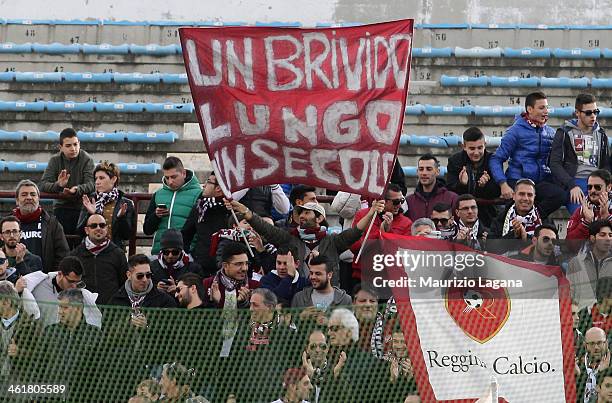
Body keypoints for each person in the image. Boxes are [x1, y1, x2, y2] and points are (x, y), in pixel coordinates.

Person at [226, 199, 385, 287]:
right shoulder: (289, 238)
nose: (302, 216)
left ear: (320, 218)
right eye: (300, 213)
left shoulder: (332, 241)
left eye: (307, 213)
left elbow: (355, 231)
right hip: (297, 297)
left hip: (328, 298)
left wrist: (371, 212)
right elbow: (265, 228)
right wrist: (245, 211)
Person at [489, 91, 566, 218]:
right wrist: (503, 184)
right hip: (518, 180)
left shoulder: (551, 132)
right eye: (541, 108)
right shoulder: (515, 131)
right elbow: (496, 159)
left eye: (547, 107)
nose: (546, 111)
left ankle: (532, 218)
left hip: (540, 182)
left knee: (560, 195)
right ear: (529, 109)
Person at [550, 93, 610, 214]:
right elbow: (555, 164)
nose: (593, 116)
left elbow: (606, 165)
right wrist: (571, 185)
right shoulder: (564, 132)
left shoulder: (601, 134)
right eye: (588, 113)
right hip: (575, 182)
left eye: (595, 112)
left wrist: (604, 185)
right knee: (582, 215)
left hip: (597, 181)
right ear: (577, 112)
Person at [40, 288, 102, 401]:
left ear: (78, 308)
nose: (60, 311)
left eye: (65, 307)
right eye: (59, 307)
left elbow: (99, 371)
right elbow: (40, 366)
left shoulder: (94, 335)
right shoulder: (49, 331)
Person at [39, 128, 95, 245]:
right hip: (61, 208)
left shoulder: (87, 159)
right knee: (62, 245)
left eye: (75, 144)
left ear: (79, 143)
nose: (73, 148)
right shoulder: (54, 160)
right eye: (68, 145)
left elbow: (91, 184)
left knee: (81, 244)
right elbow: (43, 185)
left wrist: (77, 189)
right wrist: (58, 185)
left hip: (82, 208)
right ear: (61, 147)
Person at [350, 184, 413, 283]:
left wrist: (388, 233)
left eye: (402, 201)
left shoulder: (406, 223)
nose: (400, 205)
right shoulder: (363, 215)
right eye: (396, 202)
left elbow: (404, 254)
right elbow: (354, 246)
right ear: (383, 201)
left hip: (390, 280)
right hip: (363, 277)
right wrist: (380, 233)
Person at [144, 156, 202, 255]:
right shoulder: (158, 194)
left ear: (183, 173)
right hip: (159, 253)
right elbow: (147, 230)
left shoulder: (199, 194)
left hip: (187, 254)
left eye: (174, 177)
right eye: (167, 178)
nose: (170, 181)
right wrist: (156, 216)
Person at [25, 255, 101, 328]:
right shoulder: (38, 288)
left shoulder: (80, 293)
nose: (74, 286)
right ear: (60, 274)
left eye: (77, 282)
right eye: (71, 281)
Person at [446, 126, 501, 227]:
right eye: (472, 148)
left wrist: (484, 186)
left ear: (485, 145)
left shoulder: (493, 160)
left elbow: (497, 191)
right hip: (462, 212)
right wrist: (462, 184)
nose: (476, 153)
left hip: (488, 212)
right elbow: (450, 190)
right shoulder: (455, 161)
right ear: (464, 146)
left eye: (480, 148)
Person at [69, 214, 128, 304]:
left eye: (102, 225)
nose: (98, 228)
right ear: (87, 230)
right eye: (93, 226)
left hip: (110, 310)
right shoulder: (75, 255)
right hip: (83, 308)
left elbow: (124, 284)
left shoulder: (118, 254)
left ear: (106, 229)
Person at [12, 179, 69, 272]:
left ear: (38, 199)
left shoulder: (52, 224)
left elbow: (63, 254)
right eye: (24, 194)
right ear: (17, 200)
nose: (29, 197)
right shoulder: (7, 224)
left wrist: (51, 278)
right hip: (14, 278)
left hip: (44, 279)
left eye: (33, 194)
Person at [77, 161, 135, 248]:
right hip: (91, 251)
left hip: (114, 252)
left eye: (101, 178)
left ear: (113, 179)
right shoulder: (90, 201)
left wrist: (121, 218)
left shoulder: (126, 203)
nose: (97, 182)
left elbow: (126, 235)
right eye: (96, 178)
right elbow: (80, 232)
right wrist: (91, 214)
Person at [181, 172, 228, 276]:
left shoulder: (230, 210)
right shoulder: (200, 208)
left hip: (224, 268)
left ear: (218, 188)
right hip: (200, 267)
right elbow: (186, 234)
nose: (204, 185)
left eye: (208, 182)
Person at [0, 281, 39, 385]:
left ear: (6, 302)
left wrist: (20, 352)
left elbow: (40, 357)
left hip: (19, 384)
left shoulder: (31, 326)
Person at [488, 179, 543, 254]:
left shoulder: (543, 219)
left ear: (534, 197)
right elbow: (491, 249)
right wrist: (513, 235)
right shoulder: (500, 219)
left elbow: (551, 249)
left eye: (530, 195)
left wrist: (526, 238)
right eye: (521, 194)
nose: (526, 198)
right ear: (514, 196)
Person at [108, 254, 177, 313]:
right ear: (129, 275)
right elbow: (107, 326)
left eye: (148, 275)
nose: (145, 279)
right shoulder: (116, 300)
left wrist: (147, 326)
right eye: (140, 276)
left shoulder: (165, 301)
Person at [568, 220, 612, 310]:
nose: (608, 239)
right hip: (582, 318)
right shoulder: (576, 262)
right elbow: (570, 294)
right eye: (602, 235)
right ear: (592, 238)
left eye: (610, 235)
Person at [202, 242, 260, 309]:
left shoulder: (255, 286)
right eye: (238, 264)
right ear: (225, 266)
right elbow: (198, 317)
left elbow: (258, 317)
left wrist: (244, 304)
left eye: (246, 263)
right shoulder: (207, 284)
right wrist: (214, 303)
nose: (244, 268)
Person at [151, 229, 204, 295]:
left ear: (181, 251)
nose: (170, 256)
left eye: (174, 252)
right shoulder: (152, 267)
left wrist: (178, 290)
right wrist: (155, 289)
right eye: (166, 252)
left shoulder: (194, 269)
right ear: (161, 251)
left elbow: (199, 293)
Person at [406, 154, 458, 221]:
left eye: (429, 169)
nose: (424, 173)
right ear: (417, 172)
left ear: (437, 172)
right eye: (421, 169)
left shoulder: (452, 198)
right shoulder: (409, 201)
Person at [567, 170, 612, 246]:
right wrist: (586, 222)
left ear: (609, 187)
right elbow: (570, 244)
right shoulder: (581, 211)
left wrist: (606, 216)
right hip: (588, 256)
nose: (592, 190)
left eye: (597, 187)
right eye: (589, 187)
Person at [578, 327, 610, 403]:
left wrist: (603, 372)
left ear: (606, 343)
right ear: (585, 345)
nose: (596, 347)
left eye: (599, 343)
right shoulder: (578, 366)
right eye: (592, 343)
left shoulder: (610, 365)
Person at [352, 285, 379, 352]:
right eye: (362, 301)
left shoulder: (388, 327)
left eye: (372, 301)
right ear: (353, 303)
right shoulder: (343, 326)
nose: (368, 305)